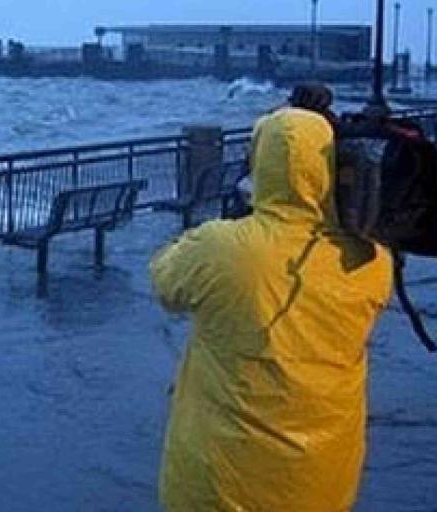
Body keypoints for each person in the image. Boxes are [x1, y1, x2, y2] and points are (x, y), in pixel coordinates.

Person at [151, 106, 393, 511]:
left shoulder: (221, 248)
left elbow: (165, 282)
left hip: (219, 481)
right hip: (322, 478)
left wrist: (226, 227)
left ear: (259, 163)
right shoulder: (373, 259)